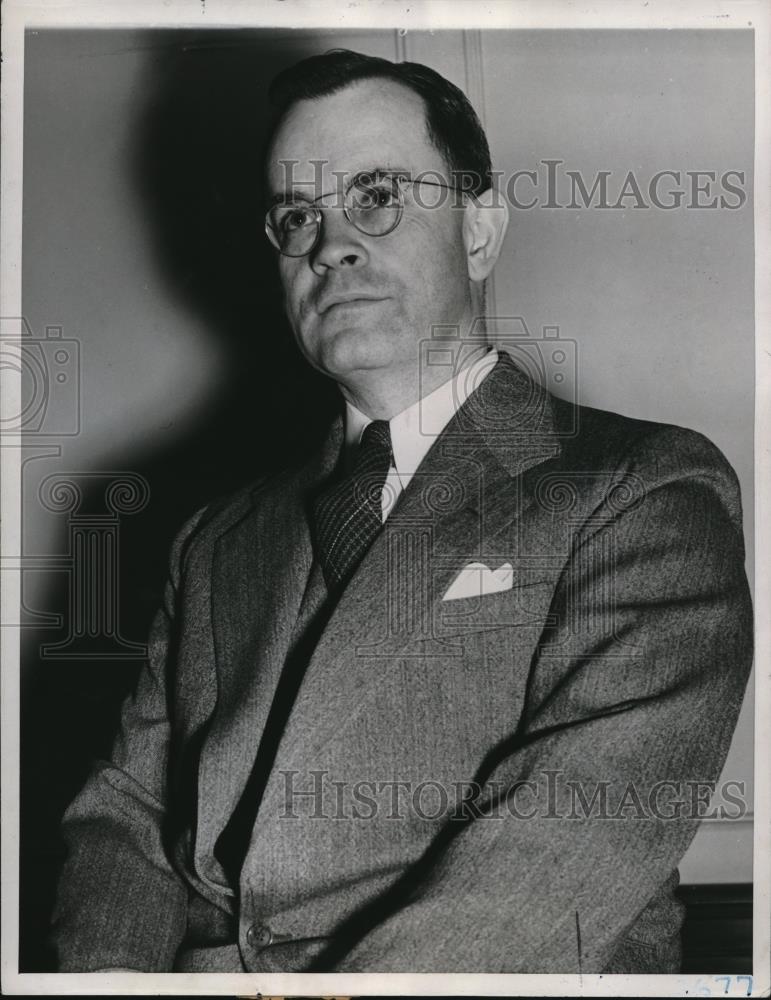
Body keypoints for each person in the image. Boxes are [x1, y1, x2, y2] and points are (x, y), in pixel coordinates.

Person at [50, 48, 753, 974]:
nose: (328, 243)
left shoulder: (642, 488)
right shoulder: (215, 538)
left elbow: (567, 845)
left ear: (478, 230)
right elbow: (126, 820)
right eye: (297, 214)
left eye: (376, 195)